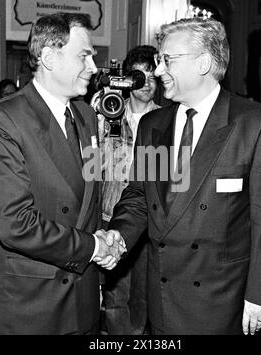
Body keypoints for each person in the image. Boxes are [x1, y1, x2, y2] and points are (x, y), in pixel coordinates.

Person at [104, 18, 261, 335]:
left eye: (167, 60)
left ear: (203, 62)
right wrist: (119, 234)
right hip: (161, 296)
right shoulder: (153, 126)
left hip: (221, 300)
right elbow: (140, 199)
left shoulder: (255, 124)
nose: (158, 71)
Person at [0, 12, 124, 335]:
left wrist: (105, 236)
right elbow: (14, 224)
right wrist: (92, 247)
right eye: (84, 56)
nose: (93, 67)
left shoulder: (87, 117)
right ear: (49, 57)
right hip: (32, 309)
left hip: (85, 303)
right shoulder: (4, 120)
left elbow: (88, 200)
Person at [99, 45, 160, 335]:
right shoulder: (110, 112)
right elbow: (90, 166)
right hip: (111, 217)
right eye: (139, 76)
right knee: (115, 298)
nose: (147, 83)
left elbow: (179, 176)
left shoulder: (168, 119)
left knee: (143, 299)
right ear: (126, 79)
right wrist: (97, 119)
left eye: (152, 76)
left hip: (151, 222)